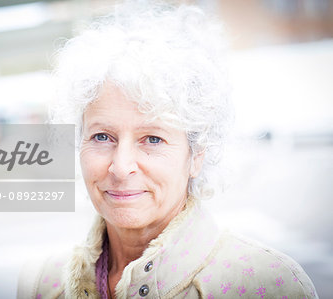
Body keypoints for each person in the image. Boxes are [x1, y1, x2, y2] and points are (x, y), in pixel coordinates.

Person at [18, 2, 318, 298]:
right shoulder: (41, 285)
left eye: (152, 139)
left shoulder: (269, 285)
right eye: (101, 137)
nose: (121, 167)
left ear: (197, 154)